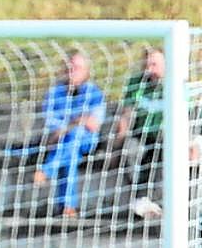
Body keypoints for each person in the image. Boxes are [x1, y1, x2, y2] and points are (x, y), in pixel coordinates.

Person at [32, 50, 106, 218]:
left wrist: (70, 125)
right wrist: (78, 120)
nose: (72, 71)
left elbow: (94, 124)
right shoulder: (54, 93)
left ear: (86, 71)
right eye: (69, 68)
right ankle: (68, 208)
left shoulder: (94, 93)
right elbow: (50, 123)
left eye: (77, 68)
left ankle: (46, 171)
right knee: (71, 154)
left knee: (75, 135)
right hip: (60, 141)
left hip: (86, 140)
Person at [114, 47, 165, 219]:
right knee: (130, 150)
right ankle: (141, 199)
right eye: (147, 65)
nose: (150, 69)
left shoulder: (175, 83)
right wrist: (118, 140)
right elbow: (126, 113)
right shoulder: (136, 83)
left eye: (155, 64)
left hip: (165, 135)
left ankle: (155, 200)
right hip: (140, 134)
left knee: (163, 152)